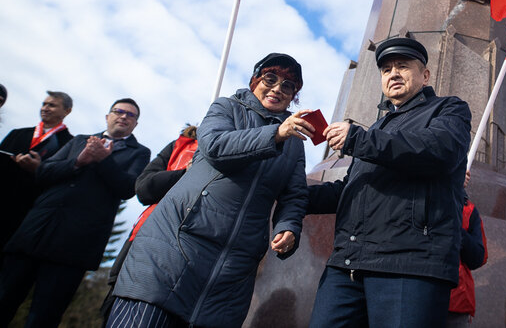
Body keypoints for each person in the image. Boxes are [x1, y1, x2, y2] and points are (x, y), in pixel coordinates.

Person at [108, 53, 310, 328]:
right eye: (270, 78)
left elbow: (294, 193)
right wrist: (275, 135)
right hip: (175, 249)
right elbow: (215, 146)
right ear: (254, 81)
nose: (277, 88)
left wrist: (288, 226)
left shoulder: (294, 141)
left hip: (233, 271)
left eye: (288, 85)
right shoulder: (226, 107)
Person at [307, 37, 472, 327]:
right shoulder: (377, 128)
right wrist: (292, 194)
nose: (393, 73)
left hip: (410, 265)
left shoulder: (449, 110)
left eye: (403, 66)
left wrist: (357, 138)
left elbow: (438, 151)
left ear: (425, 75)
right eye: (386, 69)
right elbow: (352, 189)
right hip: (347, 265)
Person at [0, 98, 150, 328]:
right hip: (35, 231)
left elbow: (128, 188)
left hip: (74, 245)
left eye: (130, 115)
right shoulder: (79, 141)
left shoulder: (139, 153)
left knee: (43, 317)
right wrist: (79, 161)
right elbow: (44, 171)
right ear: (107, 116)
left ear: (135, 124)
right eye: (118, 111)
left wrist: (103, 160)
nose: (123, 116)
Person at [100, 124, 199, 320]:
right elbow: (144, 189)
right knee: (117, 310)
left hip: (190, 252)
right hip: (144, 238)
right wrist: (183, 173)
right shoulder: (180, 146)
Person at [0, 91, 74, 253]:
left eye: (52, 105)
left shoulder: (71, 146)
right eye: (44, 104)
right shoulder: (17, 133)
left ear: (67, 111)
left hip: (29, 213)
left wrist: (39, 170)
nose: (45, 108)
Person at [448, 170, 488, 326]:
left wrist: (458, 231)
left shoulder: (469, 210)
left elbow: (478, 257)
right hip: (424, 295)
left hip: (457, 301)